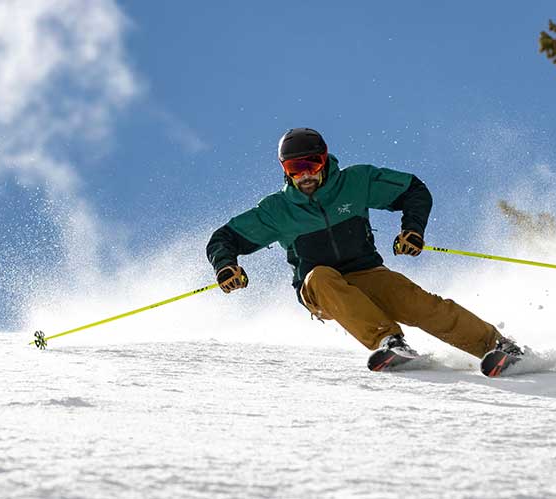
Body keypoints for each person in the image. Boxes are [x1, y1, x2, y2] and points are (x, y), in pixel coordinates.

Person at [206, 128, 522, 372]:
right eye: (294, 168)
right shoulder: (278, 209)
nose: (304, 175)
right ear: (284, 170)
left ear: (324, 160)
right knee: (321, 276)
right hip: (319, 289)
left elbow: (413, 190)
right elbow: (223, 239)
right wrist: (225, 265)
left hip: (366, 272)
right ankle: (390, 341)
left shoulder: (355, 182)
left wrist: (412, 230)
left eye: (311, 164)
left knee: (416, 301)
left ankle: (500, 347)